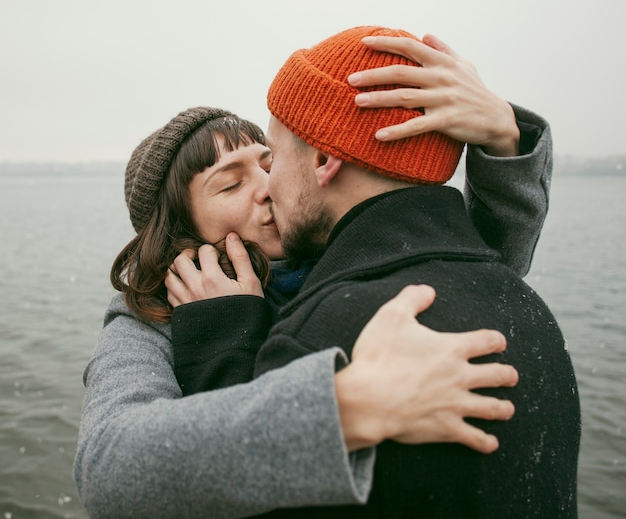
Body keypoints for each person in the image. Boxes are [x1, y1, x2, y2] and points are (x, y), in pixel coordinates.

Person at [73, 30, 549, 519]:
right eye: (231, 183)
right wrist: (340, 410)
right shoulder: (150, 317)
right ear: (180, 231)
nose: (266, 186)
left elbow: (476, 274)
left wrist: (504, 141)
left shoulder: (335, 252)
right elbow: (109, 468)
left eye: (269, 161)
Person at [217, 24, 576, 517]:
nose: (266, 187)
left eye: (274, 158)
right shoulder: (529, 311)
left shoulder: (321, 342)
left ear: (324, 158)